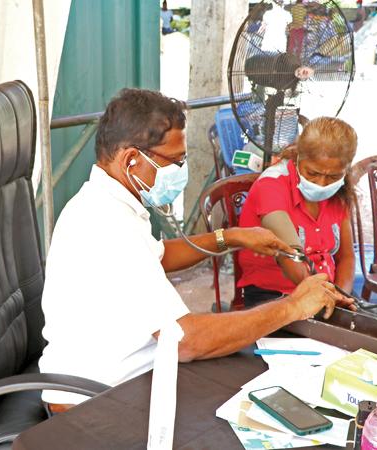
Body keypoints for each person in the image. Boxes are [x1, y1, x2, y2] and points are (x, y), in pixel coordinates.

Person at [37, 89, 352, 411]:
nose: (180, 171)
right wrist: (294, 306)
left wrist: (231, 237)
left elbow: (160, 255)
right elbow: (186, 341)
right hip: (93, 400)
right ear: (131, 159)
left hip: (130, 376)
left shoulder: (109, 204)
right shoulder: (105, 224)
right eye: (174, 162)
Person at [237, 117, 358, 308]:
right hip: (273, 296)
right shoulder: (271, 185)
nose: (322, 183)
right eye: (313, 173)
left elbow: (346, 257)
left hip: (329, 292)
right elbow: (290, 256)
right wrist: (325, 297)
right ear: (299, 158)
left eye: (333, 176)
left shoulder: (339, 191)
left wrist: (341, 295)